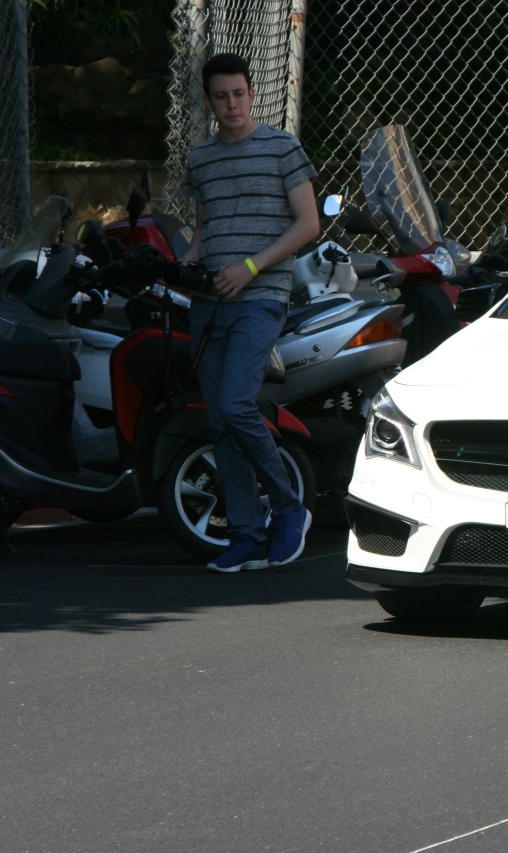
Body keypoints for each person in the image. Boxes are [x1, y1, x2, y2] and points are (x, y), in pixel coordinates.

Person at [180, 53, 320, 573]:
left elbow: (308, 225)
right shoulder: (201, 160)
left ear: (252, 94)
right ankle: (244, 532)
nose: (231, 104)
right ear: (208, 101)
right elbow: (203, 228)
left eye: (239, 94)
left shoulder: (283, 147)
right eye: (221, 96)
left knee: (238, 405)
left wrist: (250, 267)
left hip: (261, 298)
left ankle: (288, 508)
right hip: (209, 305)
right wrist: (188, 261)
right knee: (220, 421)